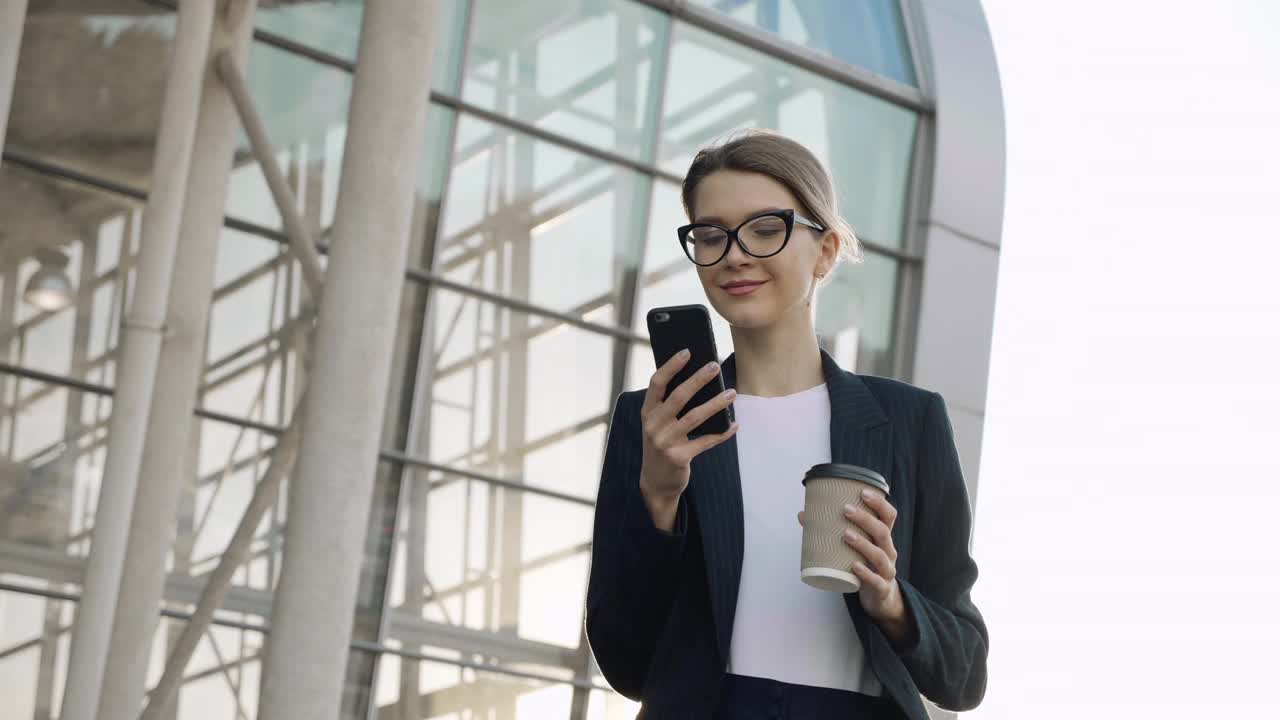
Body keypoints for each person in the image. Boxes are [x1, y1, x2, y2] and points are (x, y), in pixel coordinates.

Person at [584, 129, 988, 719]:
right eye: (711, 235)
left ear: (824, 250)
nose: (735, 254)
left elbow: (966, 672)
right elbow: (626, 662)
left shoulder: (908, 422)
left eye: (767, 228)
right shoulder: (655, 421)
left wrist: (892, 600)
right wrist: (659, 497)